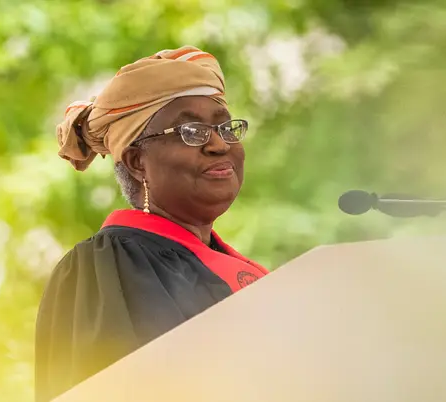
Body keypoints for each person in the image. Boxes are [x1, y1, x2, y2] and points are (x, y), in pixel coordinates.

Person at [34, 46, 269, 401]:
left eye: (224, 127)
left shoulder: (234, 265)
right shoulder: (104, 269)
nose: (219, 144)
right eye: (192, 131)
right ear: (136, 161)